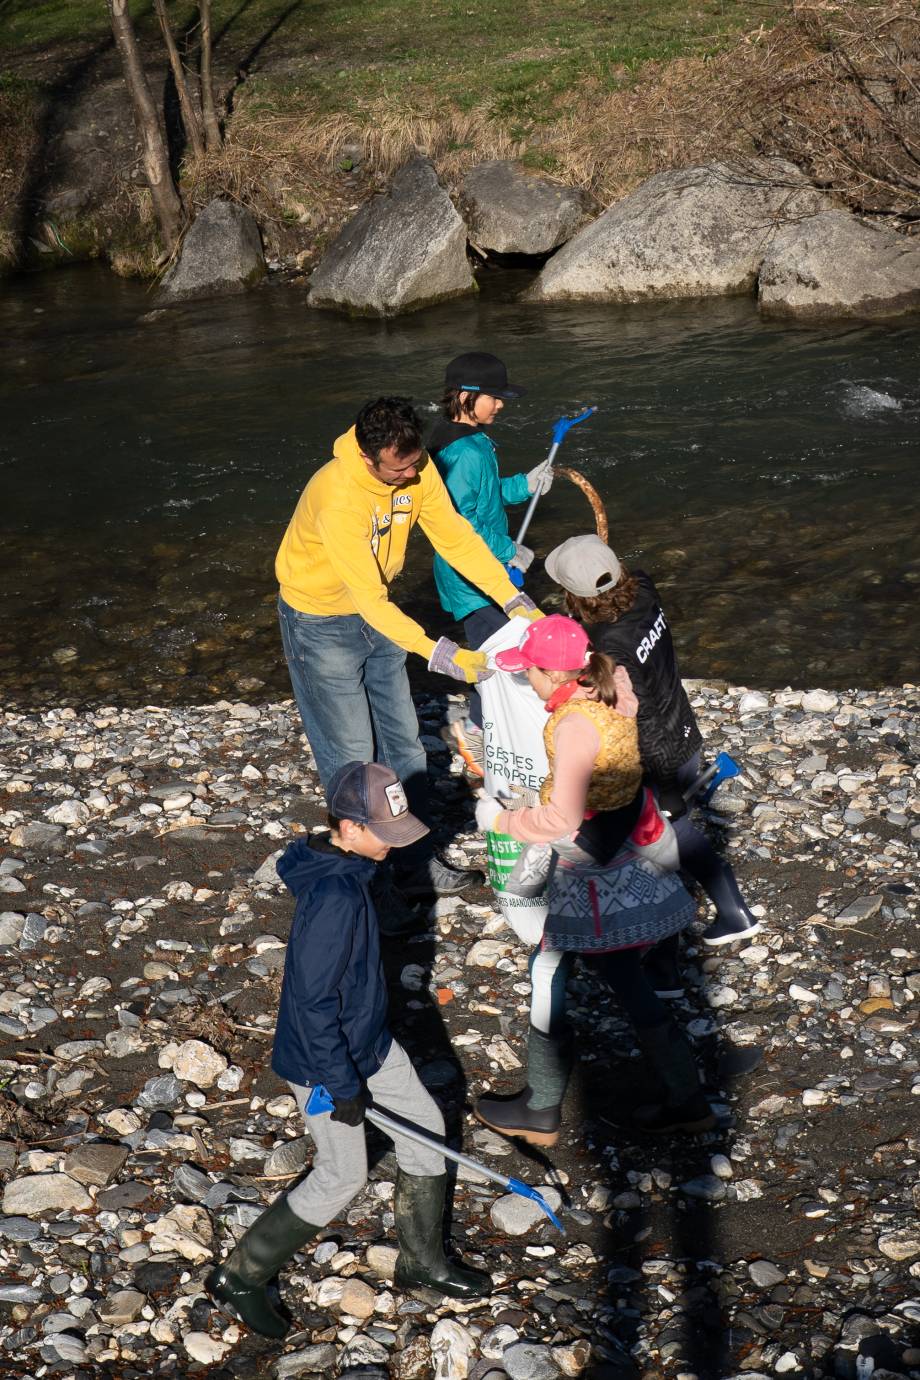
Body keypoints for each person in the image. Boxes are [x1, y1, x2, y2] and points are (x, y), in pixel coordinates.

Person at [206, 762, 491, 1339]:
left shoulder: (348, 865)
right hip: (323, 1062)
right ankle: (239, 1277)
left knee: (426, 1131)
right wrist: (340, 1085)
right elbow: (312, 1005)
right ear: (347, 825)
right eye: (383, 832)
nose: (392, 844)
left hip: (371, 1040)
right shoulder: (334, 895)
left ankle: (422, 1262)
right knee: (342, 1175)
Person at [275, 395, 540, 901]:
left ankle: (416, 862)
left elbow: (456, 539)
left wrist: (514, 600)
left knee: (405, 745)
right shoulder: (339, 496)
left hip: (380, 617)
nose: (410, 476)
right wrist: (443, 655)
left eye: (414, 463)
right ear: (368, 458)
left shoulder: (414, 467)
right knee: (352, 755)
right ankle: (361, 880)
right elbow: (368, 600)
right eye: (398, 469)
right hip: (321, 621)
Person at [473, 616, 716, 1146]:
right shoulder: (610, 689)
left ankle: (540, 1108)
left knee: (550, 966)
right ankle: (687, 1100)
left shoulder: (573, 724)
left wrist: (499, 819)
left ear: (549, 672)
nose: (526, 681)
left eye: (529, 672)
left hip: (588, 872)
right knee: (625, 977)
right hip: (625, 854)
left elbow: (559, 821)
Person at [543, 535, 760, 975]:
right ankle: (677, 949)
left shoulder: (609, 648)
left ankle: (708, 932)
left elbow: (639, 719)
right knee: (669, 841)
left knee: (663, 844)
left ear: (573, 595)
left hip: (656, 756)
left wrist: (662, 789)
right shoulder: (643, 588)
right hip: (684, 732)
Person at [428, 352, 553, 777]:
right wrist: (506, 551)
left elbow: (482, 496)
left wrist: (523, 484)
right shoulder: (464, 452)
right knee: (496, 657)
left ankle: (492, 726)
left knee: (501, 649)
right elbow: (459, 522)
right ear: (466, 396)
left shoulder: (465, 441)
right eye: (494, 397)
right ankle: (477, 734)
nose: (501, 404)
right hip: (472, 577)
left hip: (477, 572)